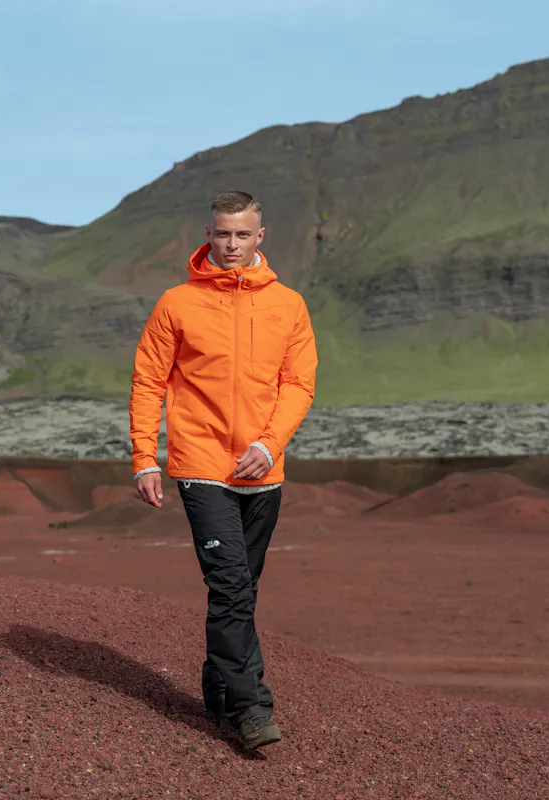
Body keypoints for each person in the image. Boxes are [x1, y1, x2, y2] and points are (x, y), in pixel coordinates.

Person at [128, 190, 318, 750]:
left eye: (241, 234)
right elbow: (148, 381)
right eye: (221, 234)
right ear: (207, 234)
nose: (230, 244)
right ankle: (251, 708)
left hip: (264, 470)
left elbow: (299, 383)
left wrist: (270, 441)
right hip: (202, 464)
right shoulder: (176, 303)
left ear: (261, 236)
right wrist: (145, 456)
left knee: (242, 588)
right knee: (231, 585)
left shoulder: (290, 304)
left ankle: (217, 689)